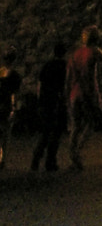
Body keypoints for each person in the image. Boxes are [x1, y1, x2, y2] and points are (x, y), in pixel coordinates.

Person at [66, 26, 102, 171]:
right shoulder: (94, 53)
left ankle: (73, 156)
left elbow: (68, 78)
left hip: (75, 94)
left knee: (75, 127)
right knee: (91, 123)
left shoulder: (75, 54)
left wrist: (67, 94)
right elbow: (97, 73)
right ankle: (78, 152)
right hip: (88, 93)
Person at [31, 40, 68, 173]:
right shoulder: (64, 66)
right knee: (56, 133)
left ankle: (36, 159)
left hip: (45, 102)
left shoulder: (47, 66)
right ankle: (50, 161)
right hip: (56, 102)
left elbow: (40, 85)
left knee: (45, 132)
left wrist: (39, 100)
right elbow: (65, 86)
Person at [0, 51, 20, 168]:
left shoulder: (2, 73)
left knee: (3, 132)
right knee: (5, 134)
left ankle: (2, 158)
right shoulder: (14, 75)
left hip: (4, 105)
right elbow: (14, 93)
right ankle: (2, 159)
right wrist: (14, 107)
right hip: (5, 105)